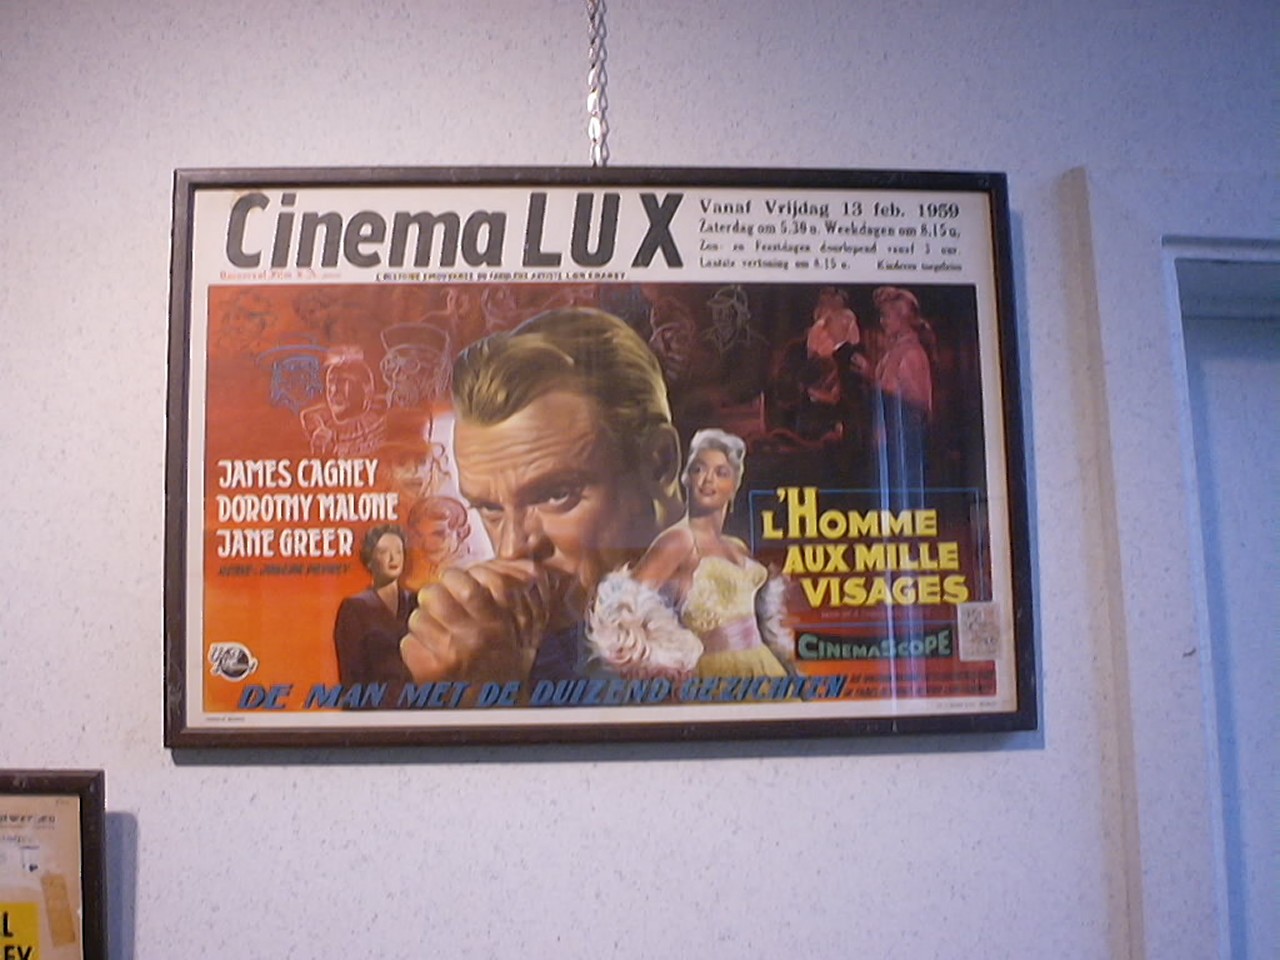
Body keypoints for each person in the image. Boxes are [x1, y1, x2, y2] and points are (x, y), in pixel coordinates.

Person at [397, 308, 686, 686]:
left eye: (556, 494)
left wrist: (490, 700)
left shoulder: (731, 615)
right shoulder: (510, 643)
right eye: (490, 508)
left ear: (659, 464)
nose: (512, 549)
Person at [586, 428, 794, 681]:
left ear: (734, 486)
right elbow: (620, 612)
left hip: (765, 668)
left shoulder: (737, 546)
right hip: (716, 677)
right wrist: (671, 660)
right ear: (686, 479)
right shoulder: (679, 540)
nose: (707, 480)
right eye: (698, 469)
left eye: (721, 473)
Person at [333, 525, 416, 698]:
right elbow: (351, 677)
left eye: (399, 551)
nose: (393, 558)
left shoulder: (416, 602)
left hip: (419, 704)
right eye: (384, 552)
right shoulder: (354, 608)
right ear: (369, 561)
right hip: (374, 706)